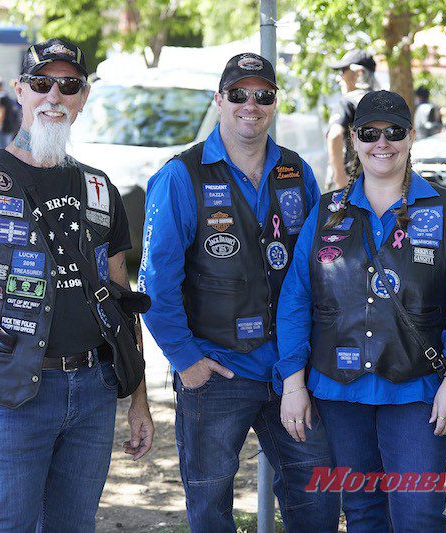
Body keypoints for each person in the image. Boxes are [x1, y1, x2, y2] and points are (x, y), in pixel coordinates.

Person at [0, 38, 154, 531]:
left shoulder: (99, 187)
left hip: (94, 391)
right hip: (11, 398)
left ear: (83, 97)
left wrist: (137, 398)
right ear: (20, 91)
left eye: (69, 84)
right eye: (42, 83)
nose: (55, 95)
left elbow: (121, 302)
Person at [140, 52, 340, 532]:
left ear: (273, 103)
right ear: (219, 99)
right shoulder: (180, 176)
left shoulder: (296, 172)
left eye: (263, 95)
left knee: (315, 495)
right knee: (209, 507)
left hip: (291, 372)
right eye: (238, 94)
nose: (250, 104)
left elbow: (317, 272)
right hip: (215, 373)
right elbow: (154, 284)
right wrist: (185, 359)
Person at [275, 90, 446, 531]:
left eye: (394, 132)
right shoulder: (326, 212)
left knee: (418, 515)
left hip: (417, 391)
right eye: (370, 133)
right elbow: (296, 300)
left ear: (411, 137)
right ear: (354, 140)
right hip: (338, 390)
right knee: (362, 512)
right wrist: (293, 382)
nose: (382, 143)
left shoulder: (445, 210)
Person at [326, 49, 377, 190]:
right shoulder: (383, 103)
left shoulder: (347, 102)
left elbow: (334, 136)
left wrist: (340, 177)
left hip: (350, 186)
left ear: (358, 73)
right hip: (376, 186)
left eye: (343, 71)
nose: (339, 78)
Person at [0, 77, 21, 150]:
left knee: (1, 150)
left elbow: (0, 114)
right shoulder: (7, 95)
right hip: (10, 127)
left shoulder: (1, 97)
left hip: (3, 128)